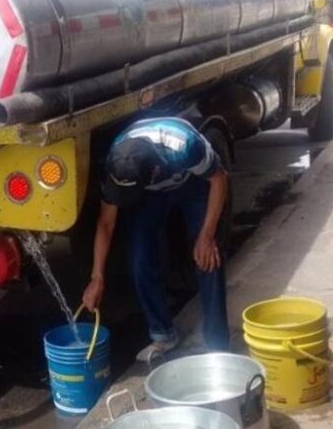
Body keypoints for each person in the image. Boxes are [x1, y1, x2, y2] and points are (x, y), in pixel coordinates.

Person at [82, 117, 231, 358]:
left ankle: (217, 343)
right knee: (140, 260)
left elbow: (219, 178)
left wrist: (207, 234)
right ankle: (163, 334)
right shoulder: (116, 162)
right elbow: (106, 222)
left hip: (192, 183)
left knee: (208, 257)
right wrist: (97, 276)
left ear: (154, 172)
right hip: (152, 194)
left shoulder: (185, 146)